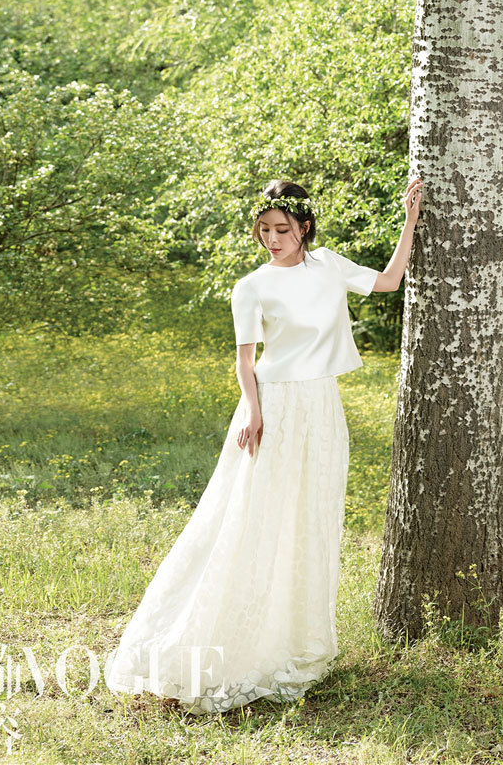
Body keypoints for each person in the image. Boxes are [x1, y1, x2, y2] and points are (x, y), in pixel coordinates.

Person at [105, 176, 423, 715]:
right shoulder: (251, 286)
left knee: (308, 518)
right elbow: (244, 359)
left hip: (322, 407)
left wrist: (410, 220)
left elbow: (391, 280)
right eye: (264, 230)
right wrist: (254, 412)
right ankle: (223, 639)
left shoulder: (328, 265)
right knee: (254, 518)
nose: (272, 238)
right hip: (272, 407)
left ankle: (292, 637)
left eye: (281, 229)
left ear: (303, 227)